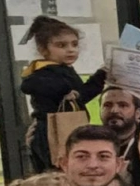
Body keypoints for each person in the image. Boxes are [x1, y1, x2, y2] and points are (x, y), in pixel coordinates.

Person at [19, 15, 107, 173]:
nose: (70, 49)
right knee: (55, 174)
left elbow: (82, 95)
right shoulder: (43, 71)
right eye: (61, 45)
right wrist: (64, 90)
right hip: (49, 131)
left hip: (68, 126)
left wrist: (101, 75)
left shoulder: (65, 70)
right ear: (43, 49)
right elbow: (27, 85)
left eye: (74, 44)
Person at [100, 88, 140, 156]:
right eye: (107, 105)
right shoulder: (90, 142)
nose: (114, 110)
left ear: (137, 113)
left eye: (123, 105)